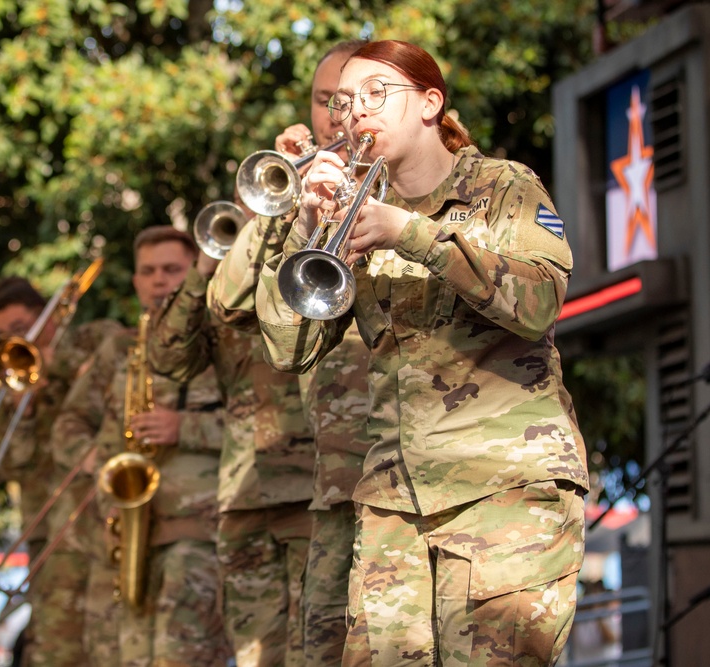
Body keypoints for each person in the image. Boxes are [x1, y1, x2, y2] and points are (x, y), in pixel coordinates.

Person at [255, 39, 589, 665]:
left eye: (378, 93)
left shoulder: (502, 185)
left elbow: (540, 301)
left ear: (431, 103)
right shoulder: (349, 217)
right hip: (391, 503)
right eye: (346, 101)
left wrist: (410, 233)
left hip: (504, 489)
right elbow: (285, 348)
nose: (357, 112)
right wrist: (303, 231)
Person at [204, 39, 372, 664]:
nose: (336, 115)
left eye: (350, 100)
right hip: (312, 475)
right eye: (325, 101)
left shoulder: (400, 186)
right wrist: (287, 202)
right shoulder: (299, 192)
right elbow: (224, 300)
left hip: (373, 470)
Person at [51, 226, 231, 666]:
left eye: (172, 269)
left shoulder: (223, 337)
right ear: (135, 280)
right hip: (122, 532)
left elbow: (266, 427)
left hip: (196, 534)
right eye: (147, 271)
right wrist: (102, 467)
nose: (158, 279)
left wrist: (184, 427)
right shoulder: (119, 348)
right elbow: (68, 427)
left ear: (196, 271)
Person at [0, 274, 123, 667]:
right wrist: (19, 408)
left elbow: (125, 394)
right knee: (55, 647)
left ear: (48, 315)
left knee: (113, 643)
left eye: (21, 329)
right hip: (48, 530)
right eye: (1, 334)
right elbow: (7, 464)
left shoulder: (96, 339)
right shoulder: (13, 382)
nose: (14, 343)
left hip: (105, 518)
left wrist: (61, 367)